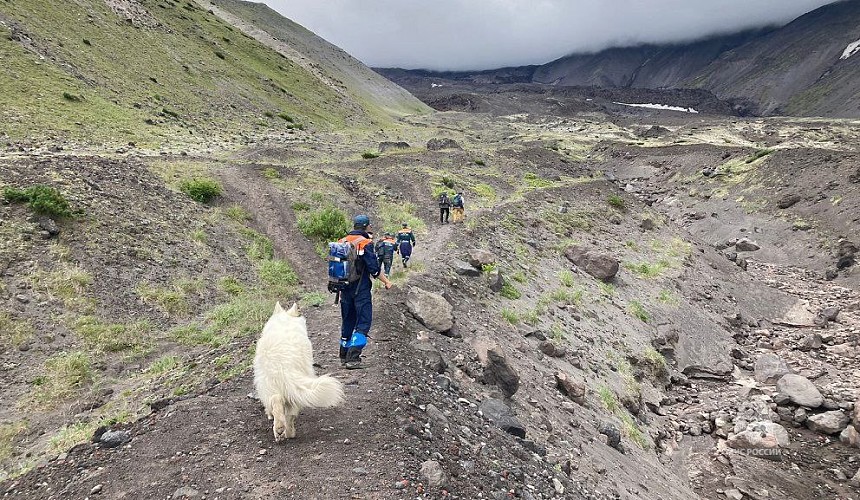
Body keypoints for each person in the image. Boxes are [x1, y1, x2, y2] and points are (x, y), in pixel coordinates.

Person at [338, 215, 392, 369]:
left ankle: (343, 354)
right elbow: (374, 269)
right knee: (363, 321)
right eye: (370, 225)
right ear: (366, 226)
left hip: (344, 289)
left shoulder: (342, 241)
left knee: (348, 320)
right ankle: (353, 357)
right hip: (360, 290)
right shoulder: (365, 243)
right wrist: (386, 281)